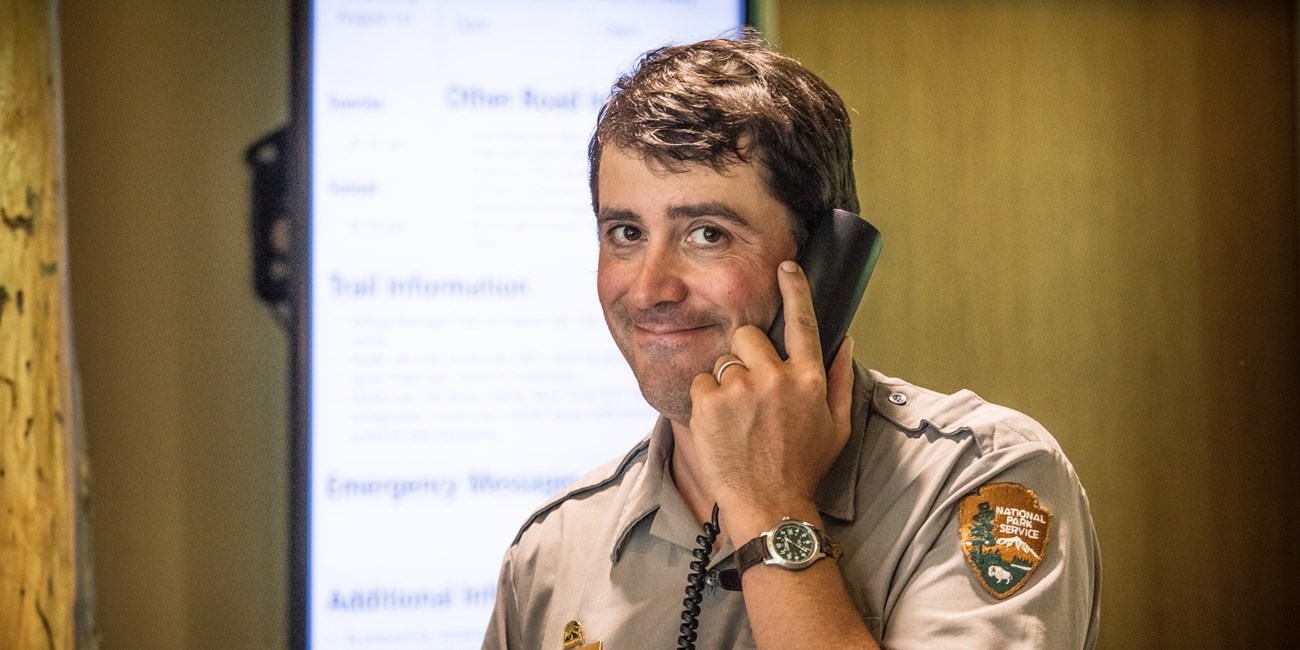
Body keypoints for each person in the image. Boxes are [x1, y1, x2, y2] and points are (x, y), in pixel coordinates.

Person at [482, 33, 1101, 649]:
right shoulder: (553, 552)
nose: (649, 290)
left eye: (706, 234)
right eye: (625, 232)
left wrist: (770, 508)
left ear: (823, 261)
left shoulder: (985, 480)